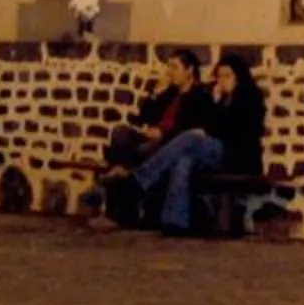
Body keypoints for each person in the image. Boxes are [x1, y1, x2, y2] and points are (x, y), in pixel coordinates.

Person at [128, 54, 265, 236]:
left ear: (238, 77)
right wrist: (215, 107)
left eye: (228, 76)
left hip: (237, 155)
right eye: (220, 76)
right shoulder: (220, 98)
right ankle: (175, 222)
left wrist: (211, 121)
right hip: (216, 154)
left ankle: (140, 179)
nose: (223, 81)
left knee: (189, 137)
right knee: (184, 161)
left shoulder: (249, 98)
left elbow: (235, 131)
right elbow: (211, 124)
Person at [95, 51, 199, 229]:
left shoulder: (199, 96)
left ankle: (117, 210)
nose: (170, 73)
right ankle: (122, 173)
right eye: (169, 67)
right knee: (120, 132)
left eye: (175, 68)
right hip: (151, 138)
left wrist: (163, 134)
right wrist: (155, 95)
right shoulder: (170, 93)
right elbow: (143, 117)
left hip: (169, 144)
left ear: (189, 70)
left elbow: (191, 130)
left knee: (129, 157)